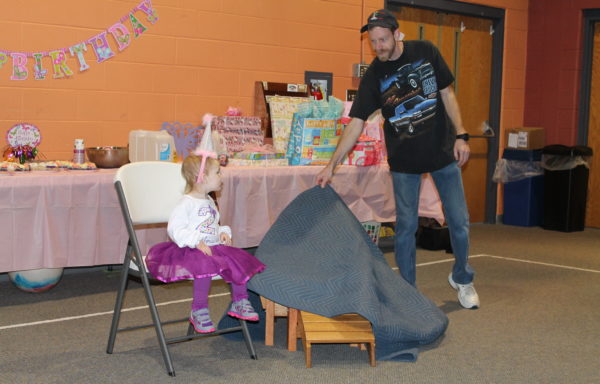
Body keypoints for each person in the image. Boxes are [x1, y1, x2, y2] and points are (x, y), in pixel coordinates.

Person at [316, 9, 479, 309]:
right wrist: (332, 164)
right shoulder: (375, 75)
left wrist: (462, 133)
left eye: (382, 40)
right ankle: (407, 291)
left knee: (459, 222)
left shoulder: (426, 51)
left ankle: (463, 278)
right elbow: (356, 123)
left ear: (397, 34)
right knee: (405, 227)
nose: (377, 47)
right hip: (404, 162)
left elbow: (446, 93)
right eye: (373, 42)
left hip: (442, 154)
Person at [146, 118, 266, 332]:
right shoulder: (187, 203)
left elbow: (212, 224)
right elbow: (175, 228)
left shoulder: (210, 201)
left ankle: (240, 301)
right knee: (204, 267)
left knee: (237, 261)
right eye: (218, 172)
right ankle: (199, 309)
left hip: (212, 246)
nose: (222, 176)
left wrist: (222, 232)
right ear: (200, 177)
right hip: (192, 249)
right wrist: (195, 241)